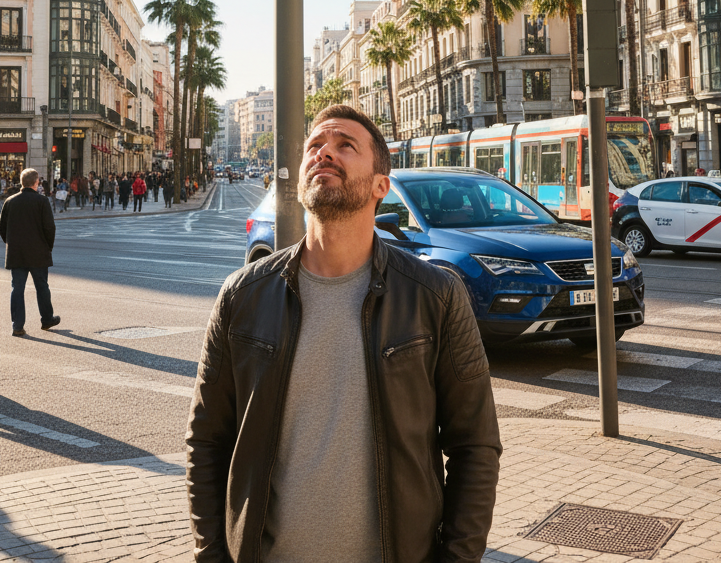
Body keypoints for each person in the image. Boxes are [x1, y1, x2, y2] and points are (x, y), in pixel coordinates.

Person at [185, 104, 501, 562]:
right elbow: (206, 440)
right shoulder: (242, 295)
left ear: (381, 186)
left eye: (345, 145)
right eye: (315, 146)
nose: (324, 153)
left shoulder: (434, 295)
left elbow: (476, 445)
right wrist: (212, 555)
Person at [0, 168, 59, 337]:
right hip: (38, 252)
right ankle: (47, 319)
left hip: (17, 253)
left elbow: (2, 228)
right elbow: (49, 227)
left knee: (17, 288)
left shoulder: (10, 201)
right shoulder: (42, 201)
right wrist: (48, 247)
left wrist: (11, 243)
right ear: (36, 182)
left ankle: (17, 325)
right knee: (42, 287)